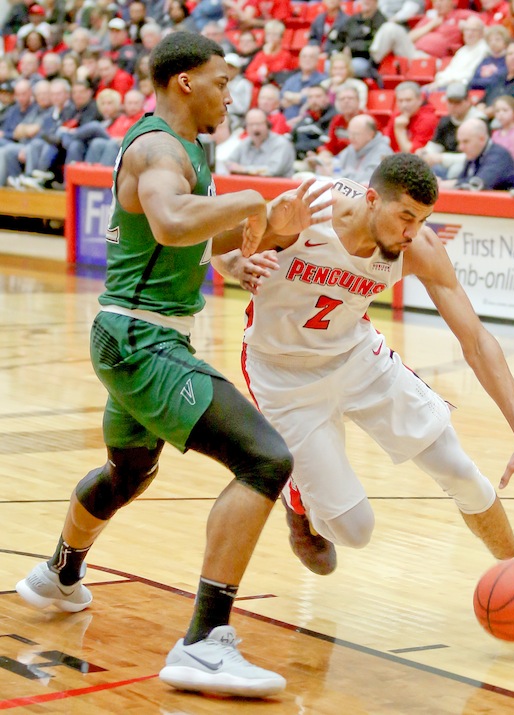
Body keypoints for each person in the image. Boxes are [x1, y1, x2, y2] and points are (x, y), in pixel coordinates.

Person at [13, 31, 331, 699]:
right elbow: (168, 222)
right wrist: (250, 204)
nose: (229, 91)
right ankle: (204, 643)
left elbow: (199, 239)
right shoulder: (159, 147)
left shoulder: (187, 149)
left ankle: (58, 575)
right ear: (185, 81)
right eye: (220, 80)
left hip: (132, 333)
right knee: (267, 459)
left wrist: (257, 241)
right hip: (143, 340)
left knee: (129, 471)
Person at [213, 152, 514, 618]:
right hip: (282, 372)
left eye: (423, 219)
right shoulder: (308, 210)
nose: (412, 232)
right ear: (372, 201)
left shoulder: (419, 248)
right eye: (405, 216)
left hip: (356, 357)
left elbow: (476, 340)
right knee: (354, 529)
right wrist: (236, 264)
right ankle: (299, 501)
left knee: (459, 469)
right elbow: (212, 244)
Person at [416, 81, 485, 178]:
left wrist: (441, 158)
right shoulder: (446, 121)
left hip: (469, 167)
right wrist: (425, 153)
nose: (453, 106)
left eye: (457, 102)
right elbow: (435, 145)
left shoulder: (478, 122)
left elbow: (476, 156)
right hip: (444, 164)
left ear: (468, 101)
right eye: (450, 102)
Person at [439, 117, 514, 190]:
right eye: (459, 142)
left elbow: (479, 183)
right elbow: (463, 179)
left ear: (482, 139)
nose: (461, 147)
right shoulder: (474, 155)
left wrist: (445, 184)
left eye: (466, 141)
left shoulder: (499, 155)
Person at [225, 107, 296, 176]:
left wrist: (244, 170)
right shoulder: (245, 143)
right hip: (248, 186)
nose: (255, 128)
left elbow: (273, 170)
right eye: (251, 124)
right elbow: (229, 163)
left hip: (275, 186)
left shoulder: (281, 144)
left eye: (258, 124)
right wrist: (232, 167)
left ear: (267, 125)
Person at [383, 81, 438, 153]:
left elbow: (412, 155)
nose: (404, 105)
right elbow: (385, 142)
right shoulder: (397, 116)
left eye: (408, 100)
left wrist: (400, 130)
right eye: (400, 101)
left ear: (420, 100)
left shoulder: (428, 119)